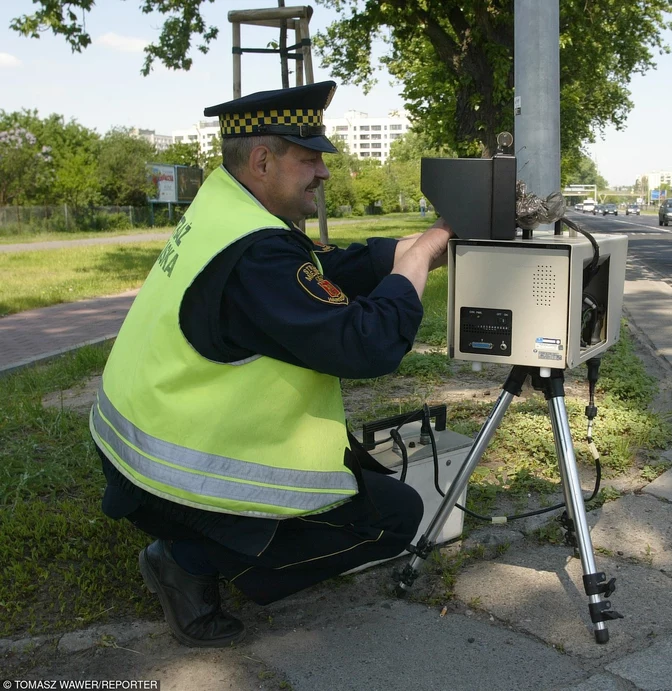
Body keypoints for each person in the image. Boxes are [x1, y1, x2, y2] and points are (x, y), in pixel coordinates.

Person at [90, 81, 453, 648]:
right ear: (263, 160)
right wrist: (420, 260)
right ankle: (185, 560)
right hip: (170, 477)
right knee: (395, 518)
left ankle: (200, 542)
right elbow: (368, 344)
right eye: (309, 159)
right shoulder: (257, 251)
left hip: (134, 449)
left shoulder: (226, 208)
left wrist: (419, 239)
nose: (324, 173)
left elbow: (320, 266)